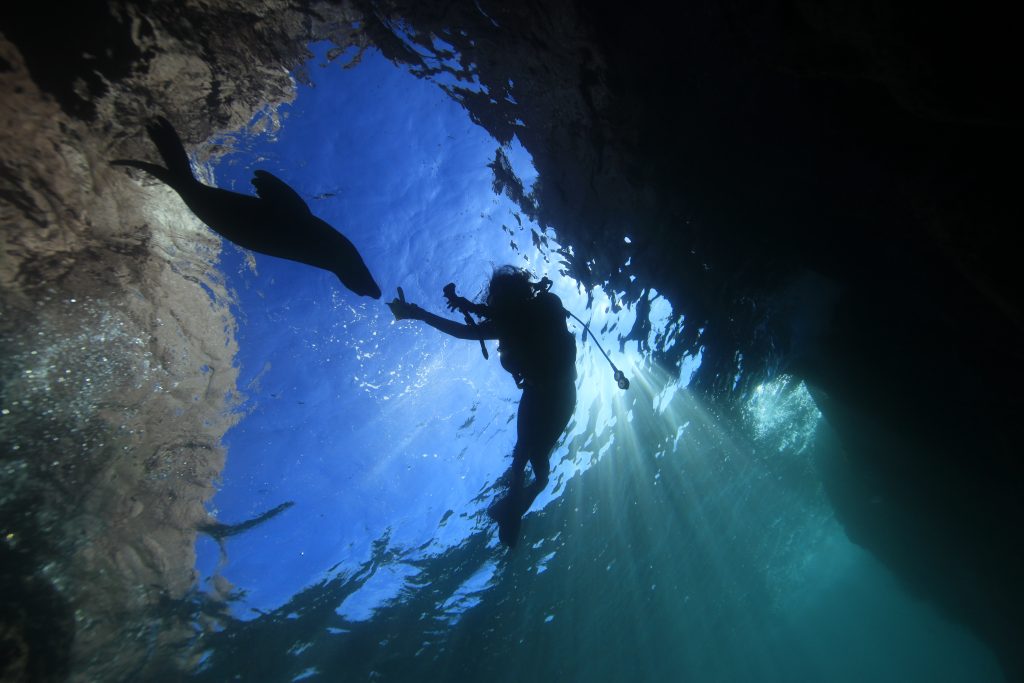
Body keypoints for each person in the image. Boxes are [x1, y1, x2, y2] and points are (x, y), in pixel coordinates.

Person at [388, 266, 577, 547]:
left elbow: (473, 329)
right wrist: (422, 313)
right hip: (537, 393)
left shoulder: (543, 306)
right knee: (522, 456)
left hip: (559, 395)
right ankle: (517, 505)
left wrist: (424, 313)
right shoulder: (509, 320)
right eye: (495, 298)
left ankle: (524, 498)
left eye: (499, 297)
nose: (495, 302)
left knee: (532, 457)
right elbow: (466, 331)